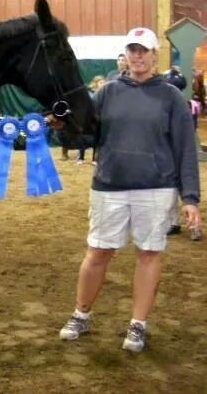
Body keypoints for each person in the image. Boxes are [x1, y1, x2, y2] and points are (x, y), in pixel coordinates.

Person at [59, 27, 201, 353]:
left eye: (144, 50)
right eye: (132, 50)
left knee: (149, 255)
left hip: (157, 189)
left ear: (154, 55)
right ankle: (81, 314)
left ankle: (138, 324)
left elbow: (185, 151)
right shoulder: (106, 93)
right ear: (125, 55)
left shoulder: (171, 98)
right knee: (97, 253)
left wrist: (190, 198)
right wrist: (64, 126)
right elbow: (86, 136)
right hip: (109, 188)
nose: (138, 56)